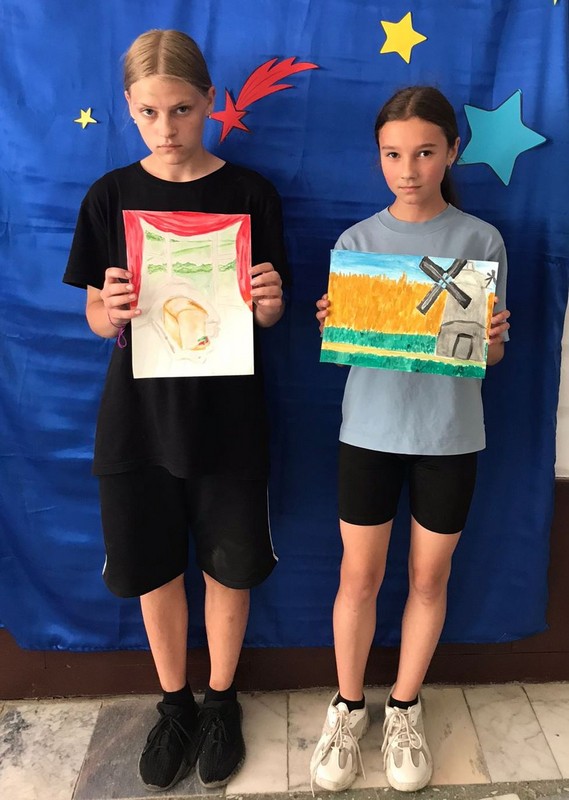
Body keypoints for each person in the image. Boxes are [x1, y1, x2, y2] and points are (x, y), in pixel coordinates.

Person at [63, 29, 288, 793]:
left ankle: (220, 702)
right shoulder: (108, 197)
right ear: (128, 108)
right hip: (138, 421)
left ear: (209, 102)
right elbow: (95, 316)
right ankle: (174, 704)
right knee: (154, 567)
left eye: (182, 110)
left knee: (229, 567)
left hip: (228, 419)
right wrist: (110, 308)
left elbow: (268, 312)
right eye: (150, 112)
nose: (166, 128)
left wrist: (266, 302)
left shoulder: (250, 194)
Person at [310, 86, 510, 793]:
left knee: (428, 579)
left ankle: (403, 706)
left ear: (451, 152)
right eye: (393, 155)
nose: (408, 169)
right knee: (357, 578)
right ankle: (347, 706)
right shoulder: (355, 244)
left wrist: (491, 339)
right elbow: (350, 347)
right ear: (378, 157)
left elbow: (484, 356)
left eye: (424, 152)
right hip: (368, 433)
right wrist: (335, 323)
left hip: (449, 437)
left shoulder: (480, 241)